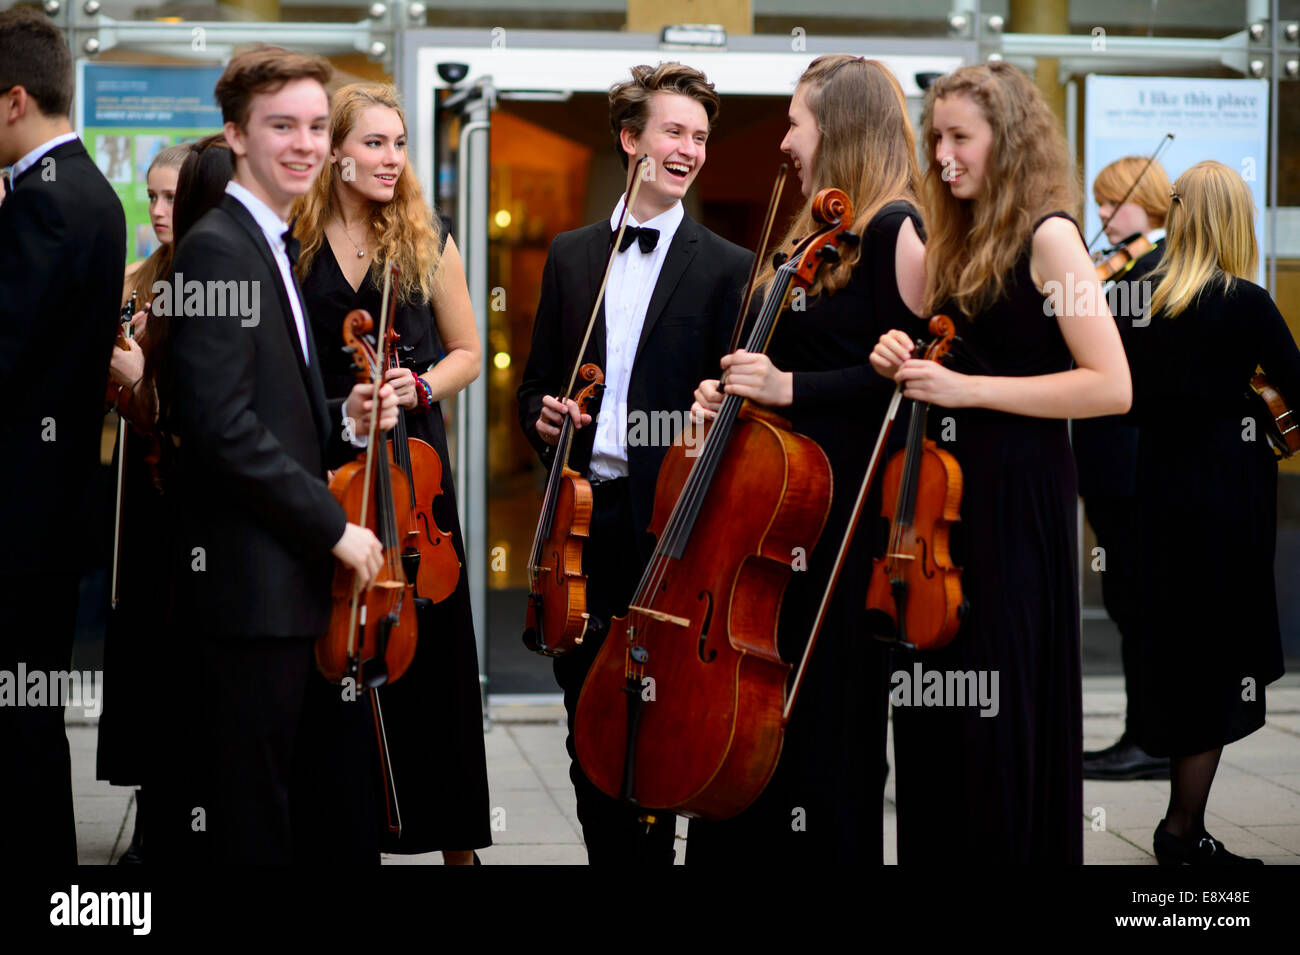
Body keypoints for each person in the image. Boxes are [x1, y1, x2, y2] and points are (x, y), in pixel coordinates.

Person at [871, 61, 1131, 864]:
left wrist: (967, 389)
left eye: (960, 138)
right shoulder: (957, 230)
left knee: (999, 719)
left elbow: (1110, 386)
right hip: (941, 511)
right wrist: (901, 356)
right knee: (935, 723)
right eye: (935, 136)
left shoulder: (1051, 237)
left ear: (1007, 142)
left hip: (1015, 510)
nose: (943, 155)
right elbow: (953, 358)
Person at [685, 55, 926, 865]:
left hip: (835, 518)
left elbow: (904, 376)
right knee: (756, 715)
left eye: (797, 121)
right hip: (768, 509)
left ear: (843, 128)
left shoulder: (895, 228)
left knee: (825, 726)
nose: (785, 138)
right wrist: (728, 398)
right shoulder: (820, 228)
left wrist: (788, 384)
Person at [163, 46, 398, 864]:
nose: (303, 143)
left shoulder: (267, 242)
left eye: (312, 125)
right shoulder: (220, 248)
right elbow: (220, 427)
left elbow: (269, 407)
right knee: (249, 819)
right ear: (235, 134)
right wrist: (335, 526)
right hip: (247, 590)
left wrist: (349, 419)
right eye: (280, 126)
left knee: (270, 808)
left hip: (274, 588)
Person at [516, 62, 752, 864]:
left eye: (700, 137)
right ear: (631, 140)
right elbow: (535, 386)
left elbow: (742, 409)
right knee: (591, 717)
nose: (689, 149)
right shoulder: (572, 254)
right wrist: (545, 419)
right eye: (674, 132)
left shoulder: (728, 265)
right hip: (583, 522)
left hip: (672, 526)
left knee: (668, 715)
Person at [294, 82, 491, 865]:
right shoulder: (296, 243)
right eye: (374, 143)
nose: (391, 158)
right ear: (336, 151)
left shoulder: (424, 239)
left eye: (400, 143)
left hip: (411, 480)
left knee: (430, 657)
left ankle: (452, 840)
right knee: (336, 643)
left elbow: (468, 353)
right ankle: (350, 829)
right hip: (329, 461)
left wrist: (418, 385)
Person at [1125, 161, 1299, 865]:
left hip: (1156, 493)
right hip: (1227, 500)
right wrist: (1252, 398)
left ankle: (1182, 823)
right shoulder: (1247, 302)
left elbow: (1125, 396)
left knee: (1177, 651)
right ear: (1236, 220)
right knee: (1221, 658)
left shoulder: (1137, 297)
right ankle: (1182, 828)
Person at [0, 7, 127, 865]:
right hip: (40, 509)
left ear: (13, 100)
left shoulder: (48, 200)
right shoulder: (76, 188)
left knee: (19, 721)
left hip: (22, 515)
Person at [96, 142, 192, 864]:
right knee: (145, 658)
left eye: (171, 199)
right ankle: (155, 808)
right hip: (140, 486)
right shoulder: (136, 278)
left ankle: (180, 816)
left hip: (191, 490)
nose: (158, 212)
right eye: (152, 198)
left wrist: (140, 379)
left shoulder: (218, 275)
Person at [1077, 155, 1172, 782]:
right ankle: (1148, 734)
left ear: (1152, 204)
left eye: (1114, 203)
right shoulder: (1133, 267)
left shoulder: (1153, 269)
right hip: (1120, 467)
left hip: (1133, 467)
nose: (1105, 215)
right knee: (1130, 598)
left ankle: (1151, 739)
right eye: (1102, 204)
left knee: (1141, 600)